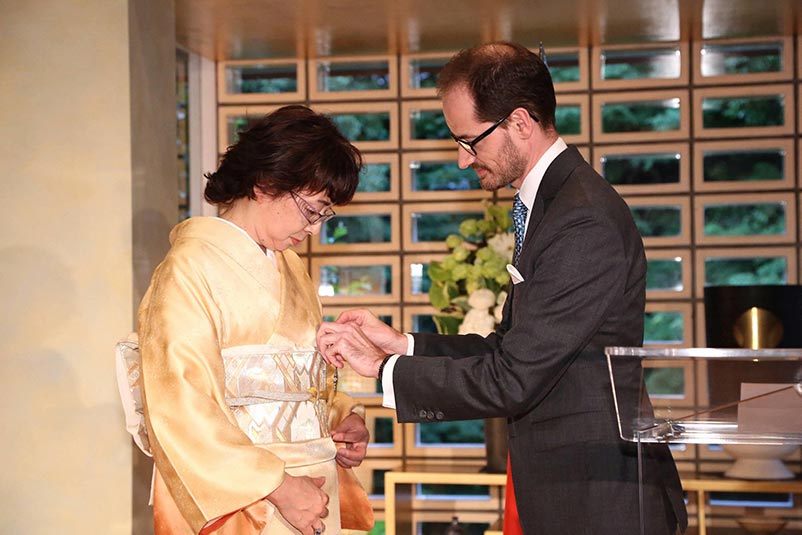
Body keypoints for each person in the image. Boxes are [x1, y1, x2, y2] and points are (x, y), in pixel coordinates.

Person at [317, 42, 688, 534]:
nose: (462, 160)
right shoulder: (551, 204)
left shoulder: (582, 219)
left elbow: (513, 378)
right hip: (570, 488)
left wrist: (385, 371)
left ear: (520, 122)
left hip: (598, 496)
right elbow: (508, 348)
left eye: (470, 141)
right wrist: (402, 343)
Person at [134, 105, 370, 535]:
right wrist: (275, 486)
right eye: (312, 208)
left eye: (324, 214)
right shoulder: (188, 267)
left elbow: (303, 379)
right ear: (265, 184)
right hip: (243, 496)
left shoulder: (292, 268)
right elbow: (179, 405)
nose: (316, 228)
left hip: (311, 486)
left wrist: (342, 417)